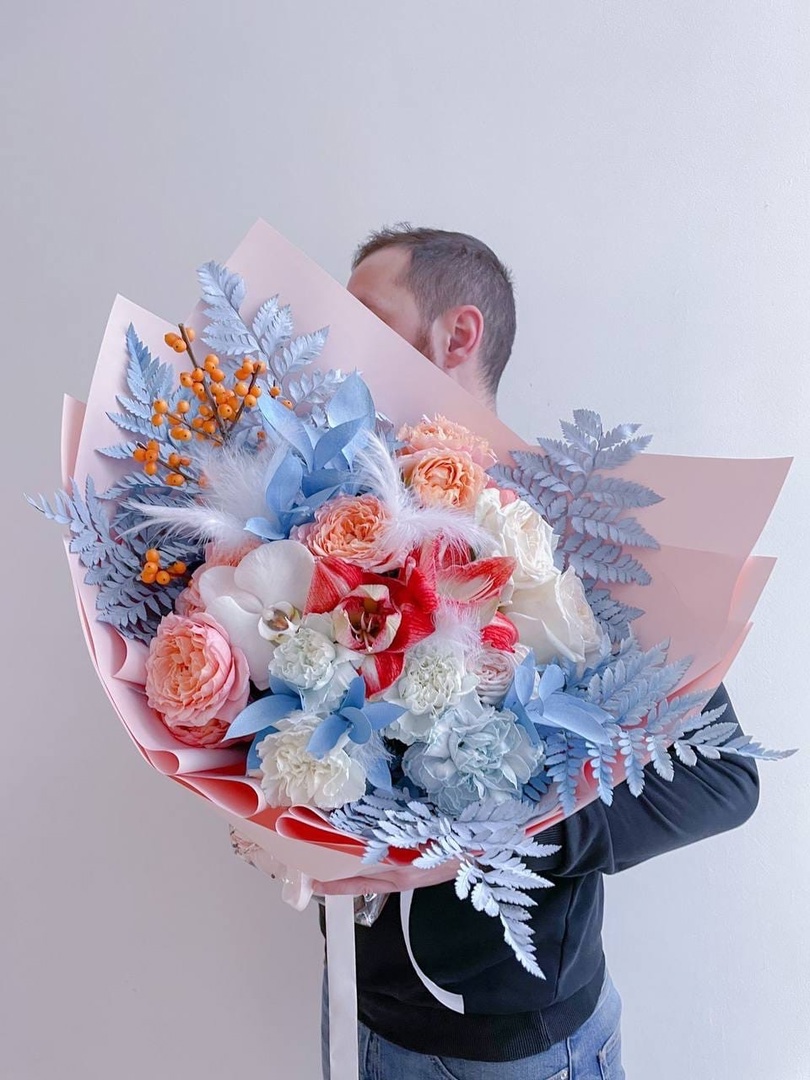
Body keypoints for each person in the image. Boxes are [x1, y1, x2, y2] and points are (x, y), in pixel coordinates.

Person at [247, 226, 761, 1080]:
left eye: (366, 314)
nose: (336, 339)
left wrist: (502, 837)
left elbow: (724, 778)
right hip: (359, 1016)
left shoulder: (569, 533)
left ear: (458, 334)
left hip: (521, 1050)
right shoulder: (331, 516)